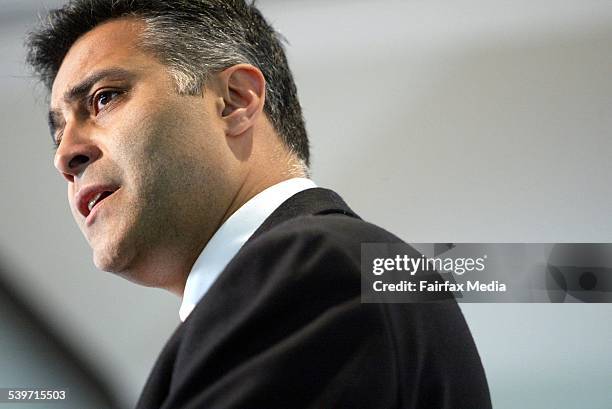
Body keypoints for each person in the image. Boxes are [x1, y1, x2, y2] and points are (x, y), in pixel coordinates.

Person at [26, 1, 492, 408]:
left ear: (235, 101)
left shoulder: (315, 268)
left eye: (103, 98)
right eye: (57, 132)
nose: (65, 156)